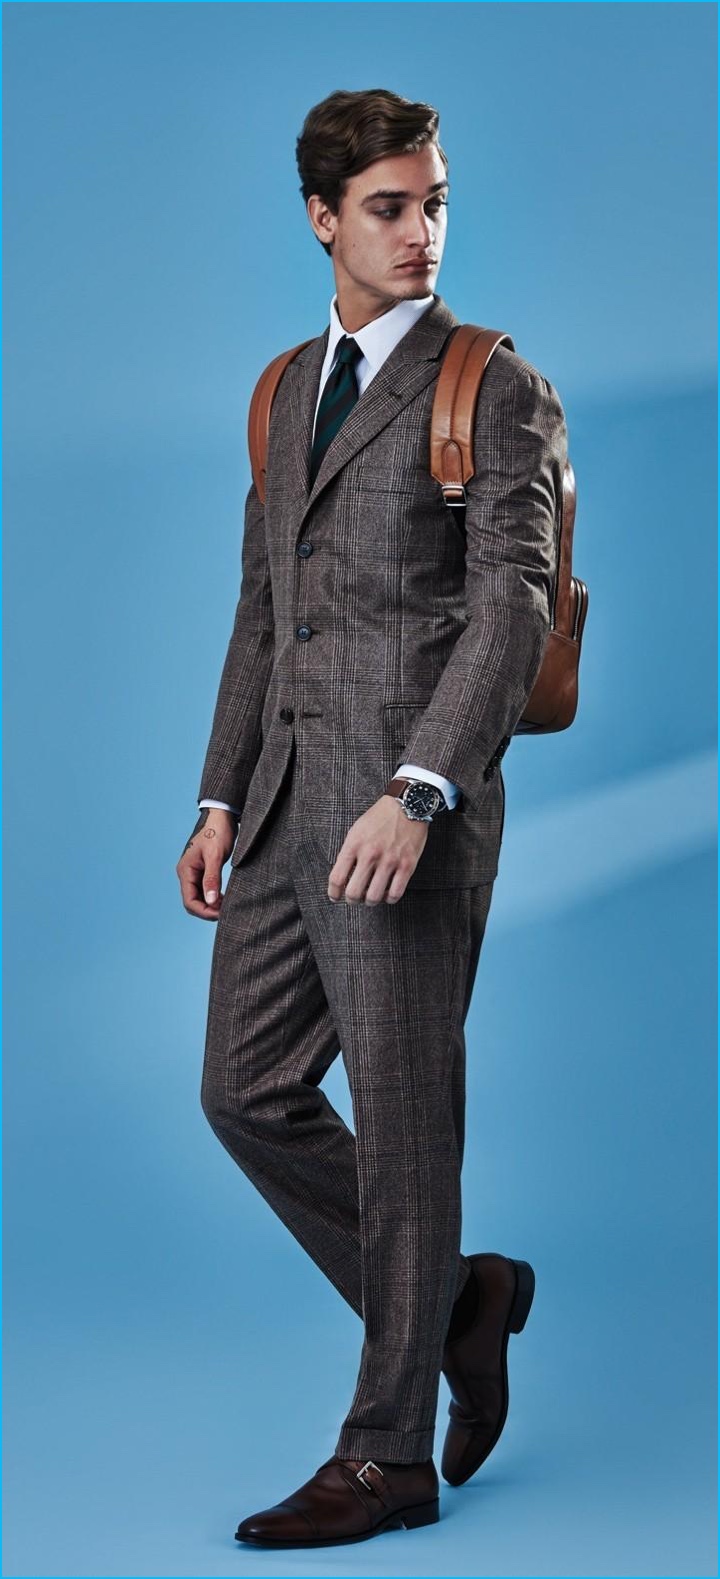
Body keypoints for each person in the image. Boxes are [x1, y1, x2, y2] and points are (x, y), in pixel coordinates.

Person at [176, 86, 568, 1549]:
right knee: (243, 1090)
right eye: (389, 208)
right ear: (322, 220)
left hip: (409, 814)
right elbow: (261, 606)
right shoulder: (287, 389)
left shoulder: (490, 385)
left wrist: (422, 787)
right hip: (284, 810)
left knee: (406, 1132)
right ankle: (461, 1300)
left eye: (435, 203)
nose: (421, 234)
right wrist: (220, 794)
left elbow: (512, 607)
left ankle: (388, 1456)